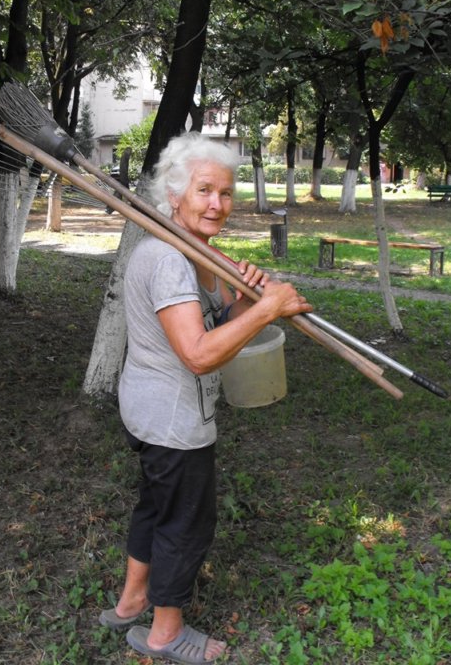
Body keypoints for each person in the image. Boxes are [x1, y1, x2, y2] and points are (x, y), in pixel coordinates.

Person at [99, 132, 312, 664]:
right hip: (173, 418)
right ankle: (164, 634)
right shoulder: (169, 259)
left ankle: (133, 601)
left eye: (225, 192)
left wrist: (246, 304)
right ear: (174, 196)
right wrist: (268, 311)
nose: (217, 203)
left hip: (148, 409)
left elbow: (213, 328)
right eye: (203, 191)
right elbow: (197, 354)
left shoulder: (191, 252)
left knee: (156, 505)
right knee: (185, 522)